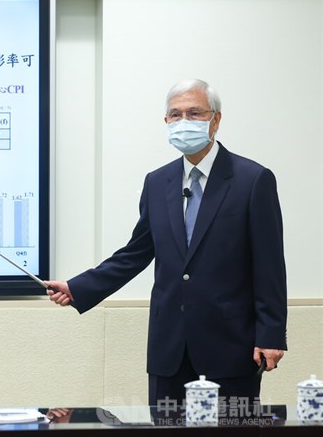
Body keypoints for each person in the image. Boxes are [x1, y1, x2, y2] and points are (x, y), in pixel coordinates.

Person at [46, 79, 287, 410]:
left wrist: (271, 334)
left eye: (194, 113)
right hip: (169, 347)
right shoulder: (158, 182)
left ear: (215, 120)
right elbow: (136, 252)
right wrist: (78, 287)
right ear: (166, 122)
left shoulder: (252, 180)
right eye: (175, 115)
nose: (184, 122)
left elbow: (269, 264)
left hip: (230, 346)